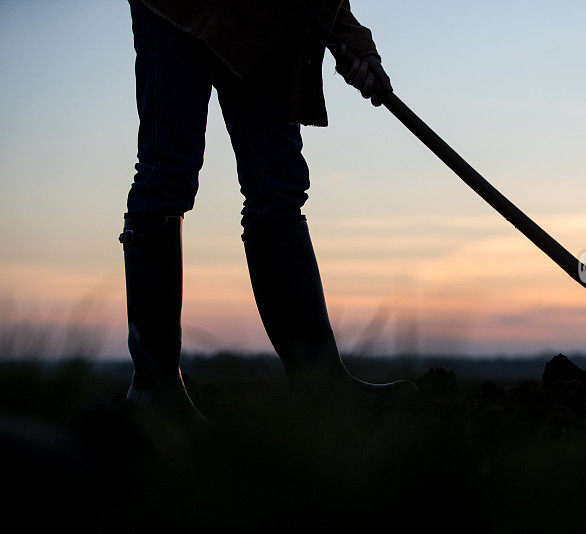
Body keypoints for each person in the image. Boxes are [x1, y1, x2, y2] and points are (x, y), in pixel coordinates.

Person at [120, 0, 415, 418]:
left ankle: (320, 386)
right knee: (167, 170)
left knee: (277, 186)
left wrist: (354, 43)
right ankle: (153, 388)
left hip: (264, 18)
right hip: (176, 7)